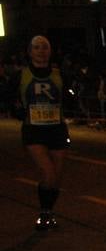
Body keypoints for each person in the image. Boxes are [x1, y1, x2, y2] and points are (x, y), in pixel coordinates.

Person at [17, 36, 70, 230]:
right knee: (48, 173)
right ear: (30, 52)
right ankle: (44, 213)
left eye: (45, 47)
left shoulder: (59, 74)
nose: (41, 51)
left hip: (57, 128)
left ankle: (49, 211)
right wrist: (19, 111)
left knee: (57, 177)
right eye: (37, 47)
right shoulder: (21, 75)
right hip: (34, 130)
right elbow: (8, 96)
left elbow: (69, 94)